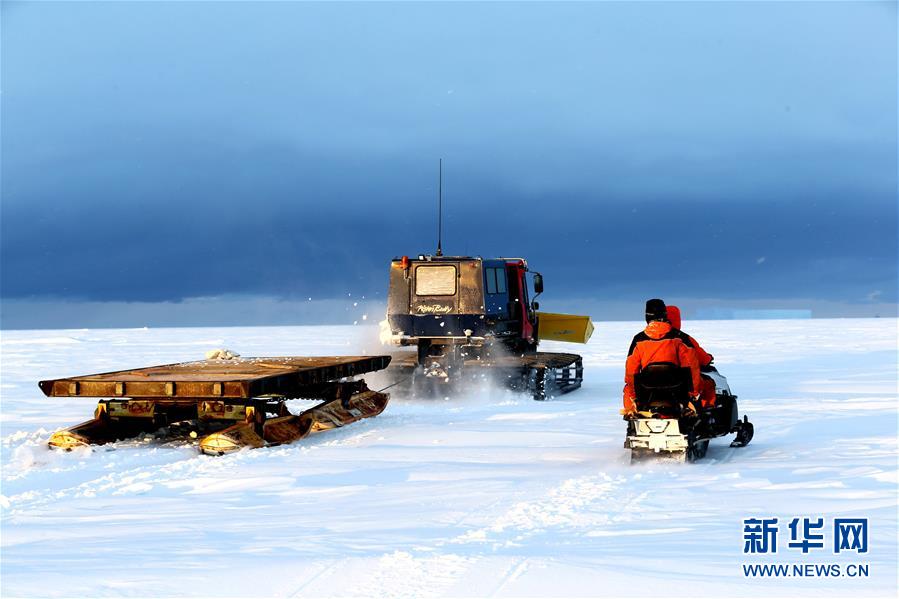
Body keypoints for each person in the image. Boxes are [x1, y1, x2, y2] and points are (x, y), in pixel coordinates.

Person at [623, 299, 701, 418]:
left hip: (647, 390)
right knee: (707, 384)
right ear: (665, 314)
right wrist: (693, 394)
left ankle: (633, 412)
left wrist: (634, 397)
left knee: (628, 389)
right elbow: (691, 366)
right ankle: (691, 412)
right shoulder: (679, 338)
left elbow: (631, 370)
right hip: (676, 390)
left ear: (647, 317)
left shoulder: (638, 340)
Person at [666, 305, 717, 409]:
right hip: (681, 385)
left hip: (652, 385)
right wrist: (708, 359)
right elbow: (701, 357)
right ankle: (707, 413)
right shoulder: (684, 339)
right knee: (709, 384)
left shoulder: (643, 339)